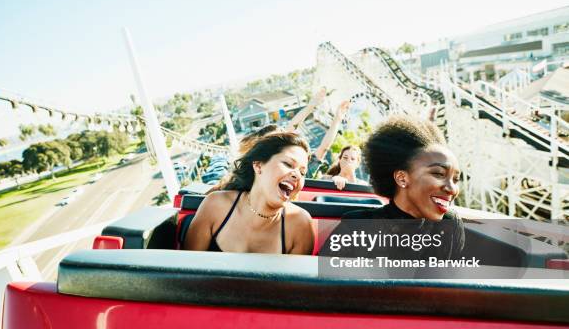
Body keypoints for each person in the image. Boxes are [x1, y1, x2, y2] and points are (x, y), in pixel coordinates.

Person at [320, 115, 464, 260]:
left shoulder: (450, 224)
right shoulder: (357, 227)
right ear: (402, 178)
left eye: (456, 179)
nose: (452, 189)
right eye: (439, 174)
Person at [184, 132, 315, 255]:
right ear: (258, 165)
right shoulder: (215, 205)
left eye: (302, 173)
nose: (297, 175)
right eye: (288, 164)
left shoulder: (300, 224)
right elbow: (186, 272)